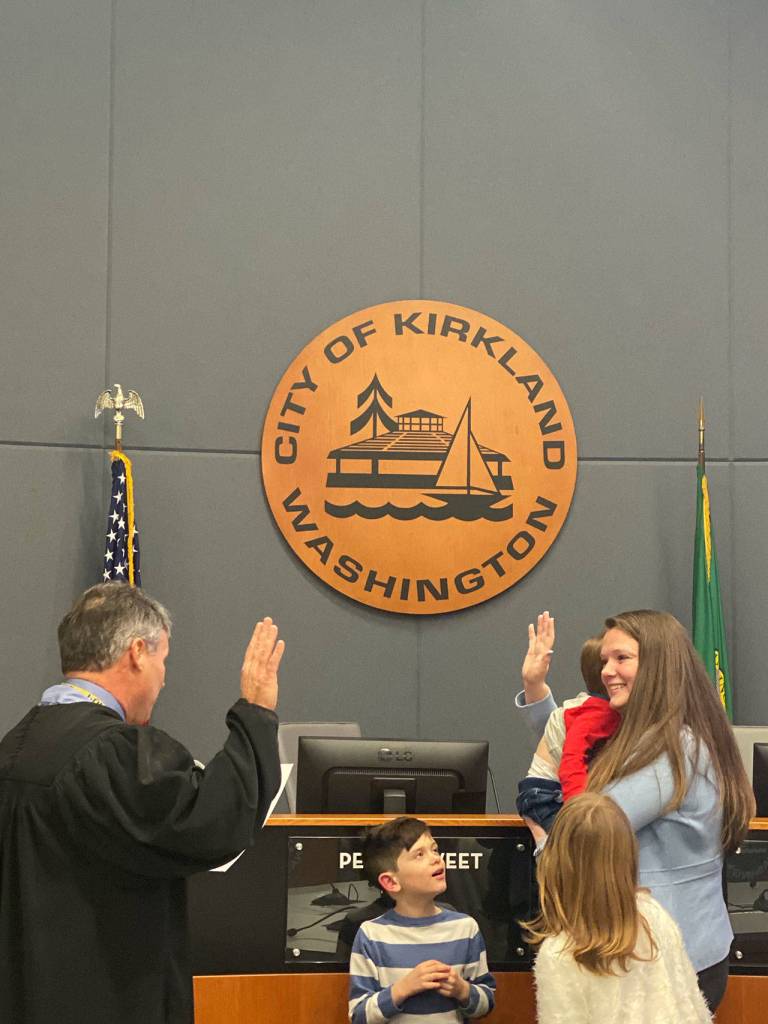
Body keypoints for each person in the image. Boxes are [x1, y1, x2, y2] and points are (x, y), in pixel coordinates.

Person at [0, 582, 285, 1024]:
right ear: (136, 653)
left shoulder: (15, 746)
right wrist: (256, 712)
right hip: (102, 998)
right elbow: (212, 821)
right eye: (162, 660)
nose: (164, 678)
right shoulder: (110, 753)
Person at [516, 609, 755, 1012]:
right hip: (664, 952)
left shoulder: (671, 750)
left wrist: (542, 836)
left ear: (659, 665)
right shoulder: (662, 735)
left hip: (666, 962)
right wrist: (535, 690)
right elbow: (578, 743)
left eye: (621, 658)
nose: (606, 671)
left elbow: (587, 832)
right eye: (604, 660)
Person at [525, 792, 712, 1024]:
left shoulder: (559, 953)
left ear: (557, 862)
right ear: (629, 855)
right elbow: (694, 1006)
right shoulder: (655, 915)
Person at [348, 816, 496, 1023]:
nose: (436, 858)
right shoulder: (371, 935)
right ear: (390, 882)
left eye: (435, 849)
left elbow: (486, 1003)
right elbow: (359, 1015)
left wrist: (462, 990)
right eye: (419, 854)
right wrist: (403, 988)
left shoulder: (465, 928)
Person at [516, 635, 620, 831]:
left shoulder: (602, 710)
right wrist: (579, 811)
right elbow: (571, 760)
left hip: (552, 794)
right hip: (546, 796)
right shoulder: (593, 713)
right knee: (573, 842)